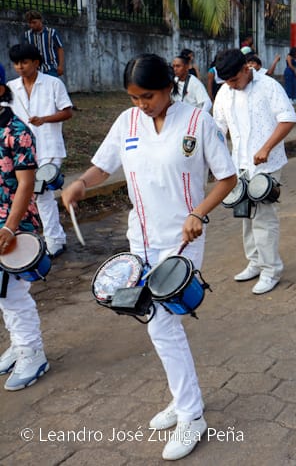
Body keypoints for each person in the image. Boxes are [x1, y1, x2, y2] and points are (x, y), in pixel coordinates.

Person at [61, 53, 237, 460]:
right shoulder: (127, 122)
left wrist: (198, 213)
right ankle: (184, 398)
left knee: (162, 324)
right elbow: (102, 167)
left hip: (182, 240)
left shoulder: (197, 122)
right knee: (159, 324)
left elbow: (226, 178)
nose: (142, 104)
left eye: (148, 96)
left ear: (168, 88)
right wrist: (81, 184)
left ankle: (191, 414)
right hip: (140, 240)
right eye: (134, 97)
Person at [212, 49, 296, 295]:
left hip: (266, 165)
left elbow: (287, 119)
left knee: (264, 218)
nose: (231, 85)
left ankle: (271, 270)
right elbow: (218, 127)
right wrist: (217, 160)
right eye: (226, 81)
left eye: (234, 80)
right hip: (238, 164)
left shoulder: (269, 86)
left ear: (245, 68)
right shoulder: (225, 92)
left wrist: (267, 148)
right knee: (246, 215)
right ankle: (255, 262)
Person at [0, 62, 51, 392]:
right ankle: (18, 344)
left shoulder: (17, 132)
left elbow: (26, 184)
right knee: (1, 294)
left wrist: (9, 228)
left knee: (13, 294)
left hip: (13, 224)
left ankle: (33, 353)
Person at [7, 44, 73, 257]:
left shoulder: (53, 83)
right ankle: (49, 237)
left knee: (41, 193)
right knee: (25, 195)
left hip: (49, 149)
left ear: (36, 62)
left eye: (24, 62)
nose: (20, 67)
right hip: (22, 153)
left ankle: (54, 242)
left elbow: (67, 112)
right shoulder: (10, 87)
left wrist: (44, 119)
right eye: (16, 63)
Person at [22, 10, 64, 78]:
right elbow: (25, 52)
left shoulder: (51, 33)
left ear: (40, 20)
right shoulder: (27, 35)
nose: (32, 25)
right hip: (35, 69)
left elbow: (60, 48)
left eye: (34, 22)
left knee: (52, 85)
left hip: (51, 68)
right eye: (30, 23)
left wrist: (60, 66)